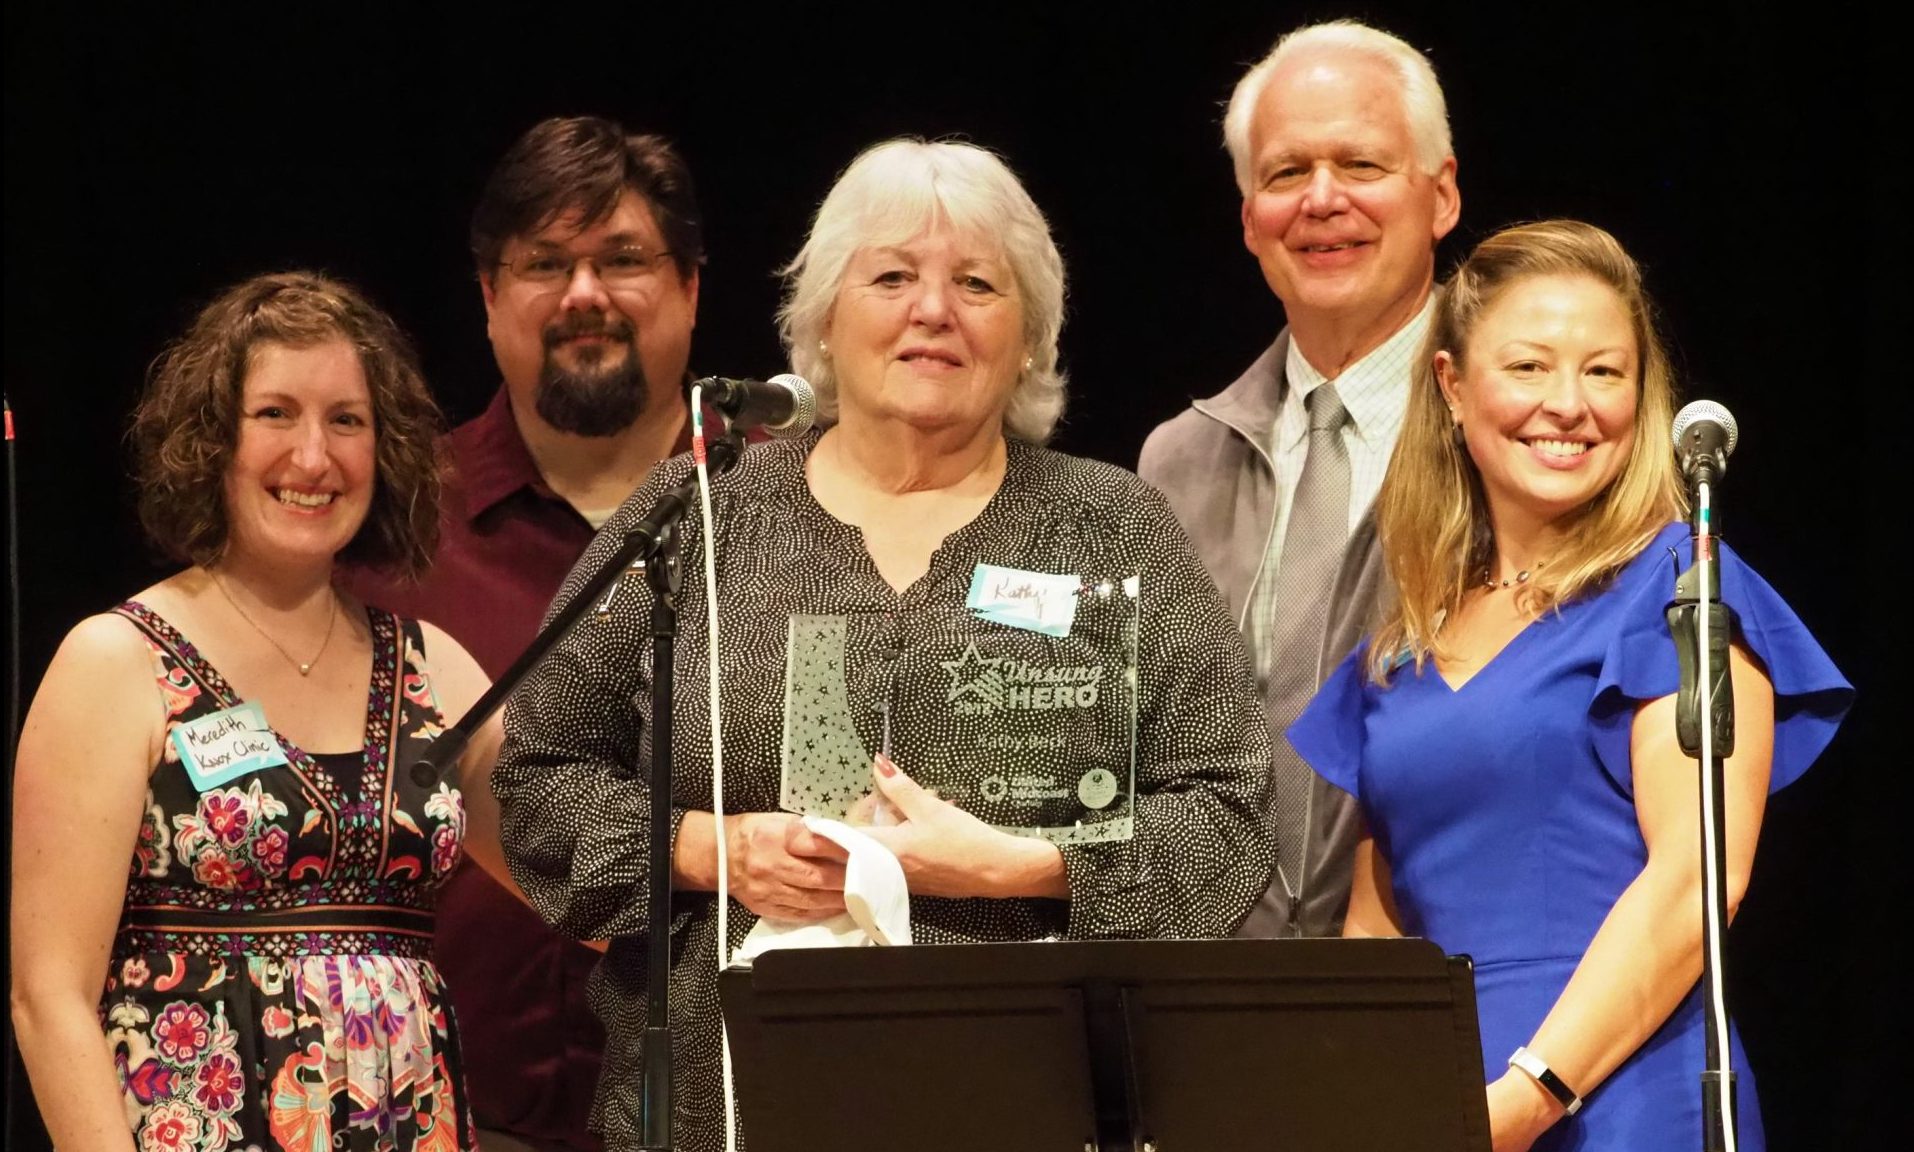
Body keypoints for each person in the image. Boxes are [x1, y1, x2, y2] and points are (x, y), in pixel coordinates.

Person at [494, 138, 1276, 1150]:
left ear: (1031, 334)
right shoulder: (695, 518)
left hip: (1031, 1103)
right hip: (724, 1103)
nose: (933, 311)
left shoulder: (1113, 530)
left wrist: (1021, 866)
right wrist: (717, 851)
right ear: (823, 316)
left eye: (978, 284)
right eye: (894, 276)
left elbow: (1227, 818)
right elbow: (538, 779)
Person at [1288, 220, 1853, 1150]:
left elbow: (1696, 880)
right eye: (1529, 367)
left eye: (1604, 372)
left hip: (1622, 1097)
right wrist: (1382, 1099)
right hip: (1441, 1108)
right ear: (1451, 388)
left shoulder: (1681, 588)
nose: (1570, 404)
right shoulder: (1406, 642)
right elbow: (1374, 927)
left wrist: (1530, 1094)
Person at [11, 271, 505, 1147]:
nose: (313, 458)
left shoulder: (436, 671)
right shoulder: (117, 661)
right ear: (211, 441)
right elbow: (47, 996)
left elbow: (584, 873)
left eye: (346, 420)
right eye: (274, 413)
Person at [339, 114, 708, 1151]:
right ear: (491, 296)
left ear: (690, 286)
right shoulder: (387, 529)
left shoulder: (801, 512)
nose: (584, 293)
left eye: (623, 259)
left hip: (745, 1107)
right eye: (545, 263)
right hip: (448, 1118)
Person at [1138, 19, 1461, 939]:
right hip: (1211, 1002)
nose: (1322, 201)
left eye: (1361, 166)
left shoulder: (1513, 439)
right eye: (1285, 174)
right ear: (1249, 220)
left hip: (1449, 990)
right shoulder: (1177, 463)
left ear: (1441, 196)